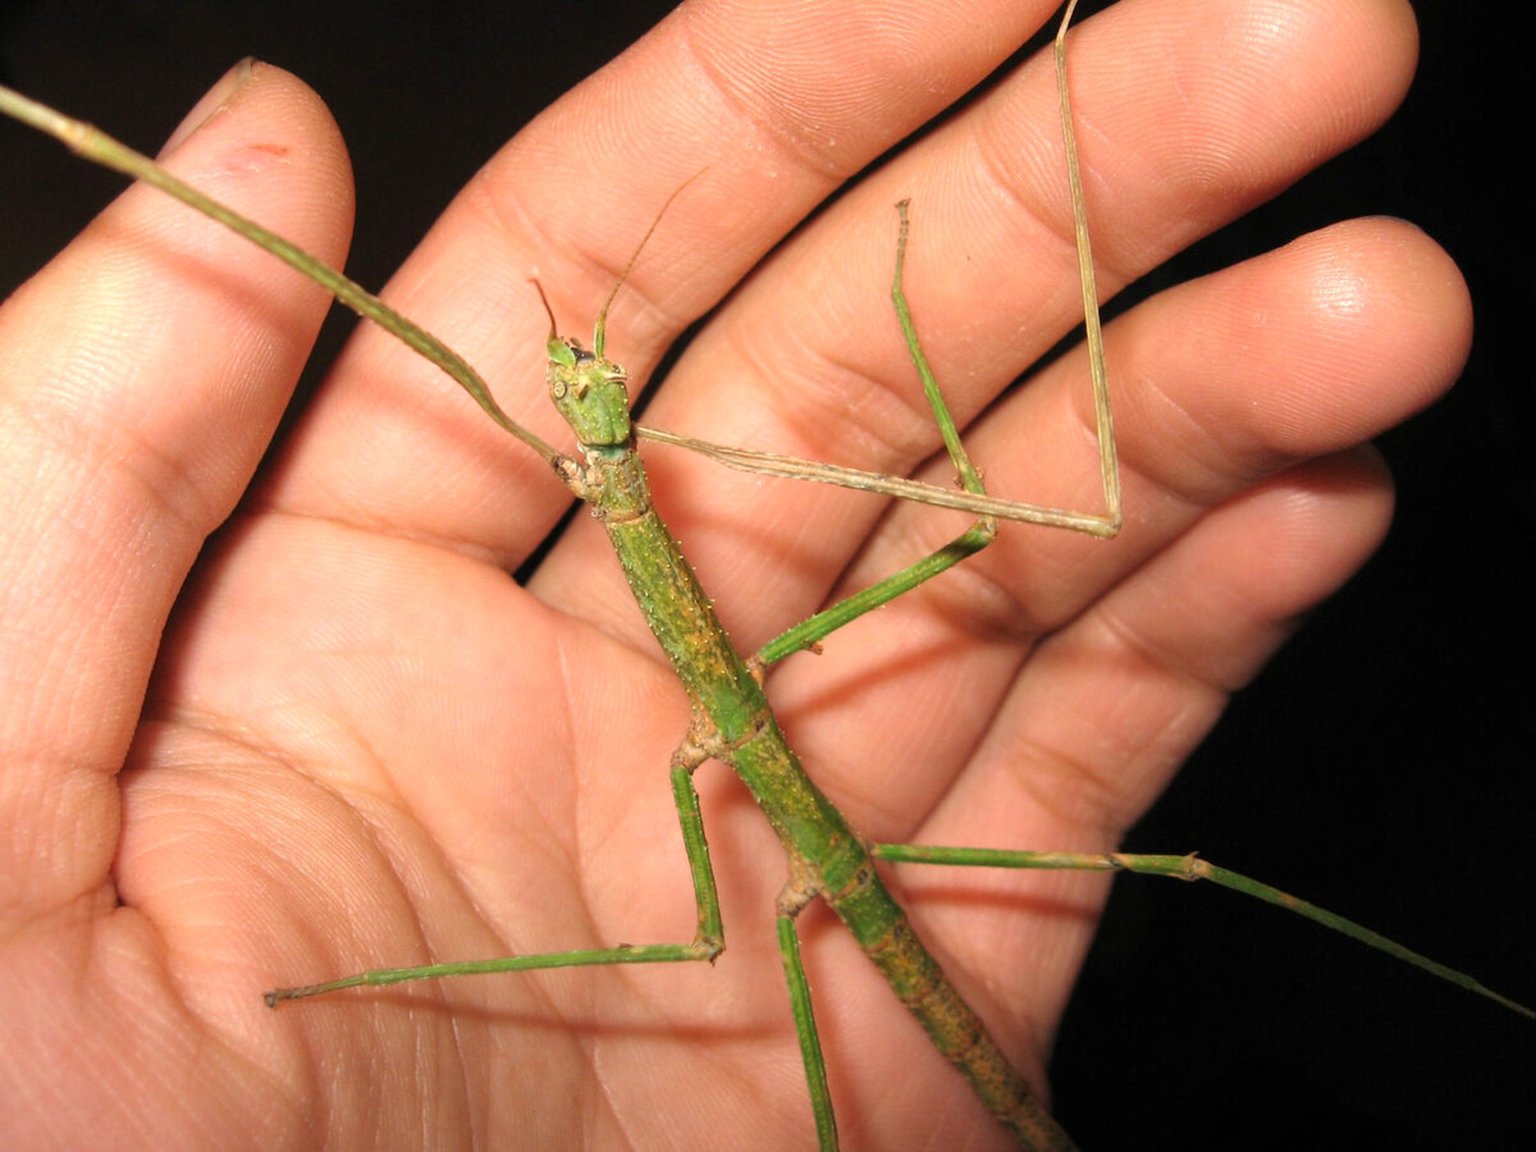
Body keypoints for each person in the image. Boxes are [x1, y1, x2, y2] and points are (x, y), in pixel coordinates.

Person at [0, 1, 1465, 1147]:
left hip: (832, 841)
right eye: (582, 408)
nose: (584, 403)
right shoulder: (608, 467)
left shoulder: (615, 469)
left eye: (597, 402)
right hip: (768, 780)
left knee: (1038, 626)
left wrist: (901, 292)